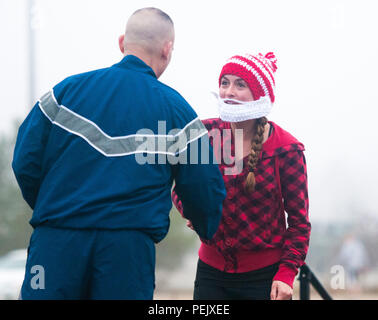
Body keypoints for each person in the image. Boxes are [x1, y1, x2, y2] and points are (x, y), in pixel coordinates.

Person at [12, 7, 226, 300]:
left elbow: (25, 160)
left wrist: (55, 207)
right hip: (127, 253)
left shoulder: (63, 94)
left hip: (55, 243)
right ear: (167, 49)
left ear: (122, 41)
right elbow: (204, 185)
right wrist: (206, 227)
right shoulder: (178, 112)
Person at [172, 52, 311, 300]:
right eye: (224, 83)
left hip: (264, 278)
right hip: (211, 274)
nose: (228, 92)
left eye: (240, 84)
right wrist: (195, 211)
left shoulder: (286, 150)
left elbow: (299, 222)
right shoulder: (205, 133)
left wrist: (286, 273)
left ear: (260, 95)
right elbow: (180, 188)